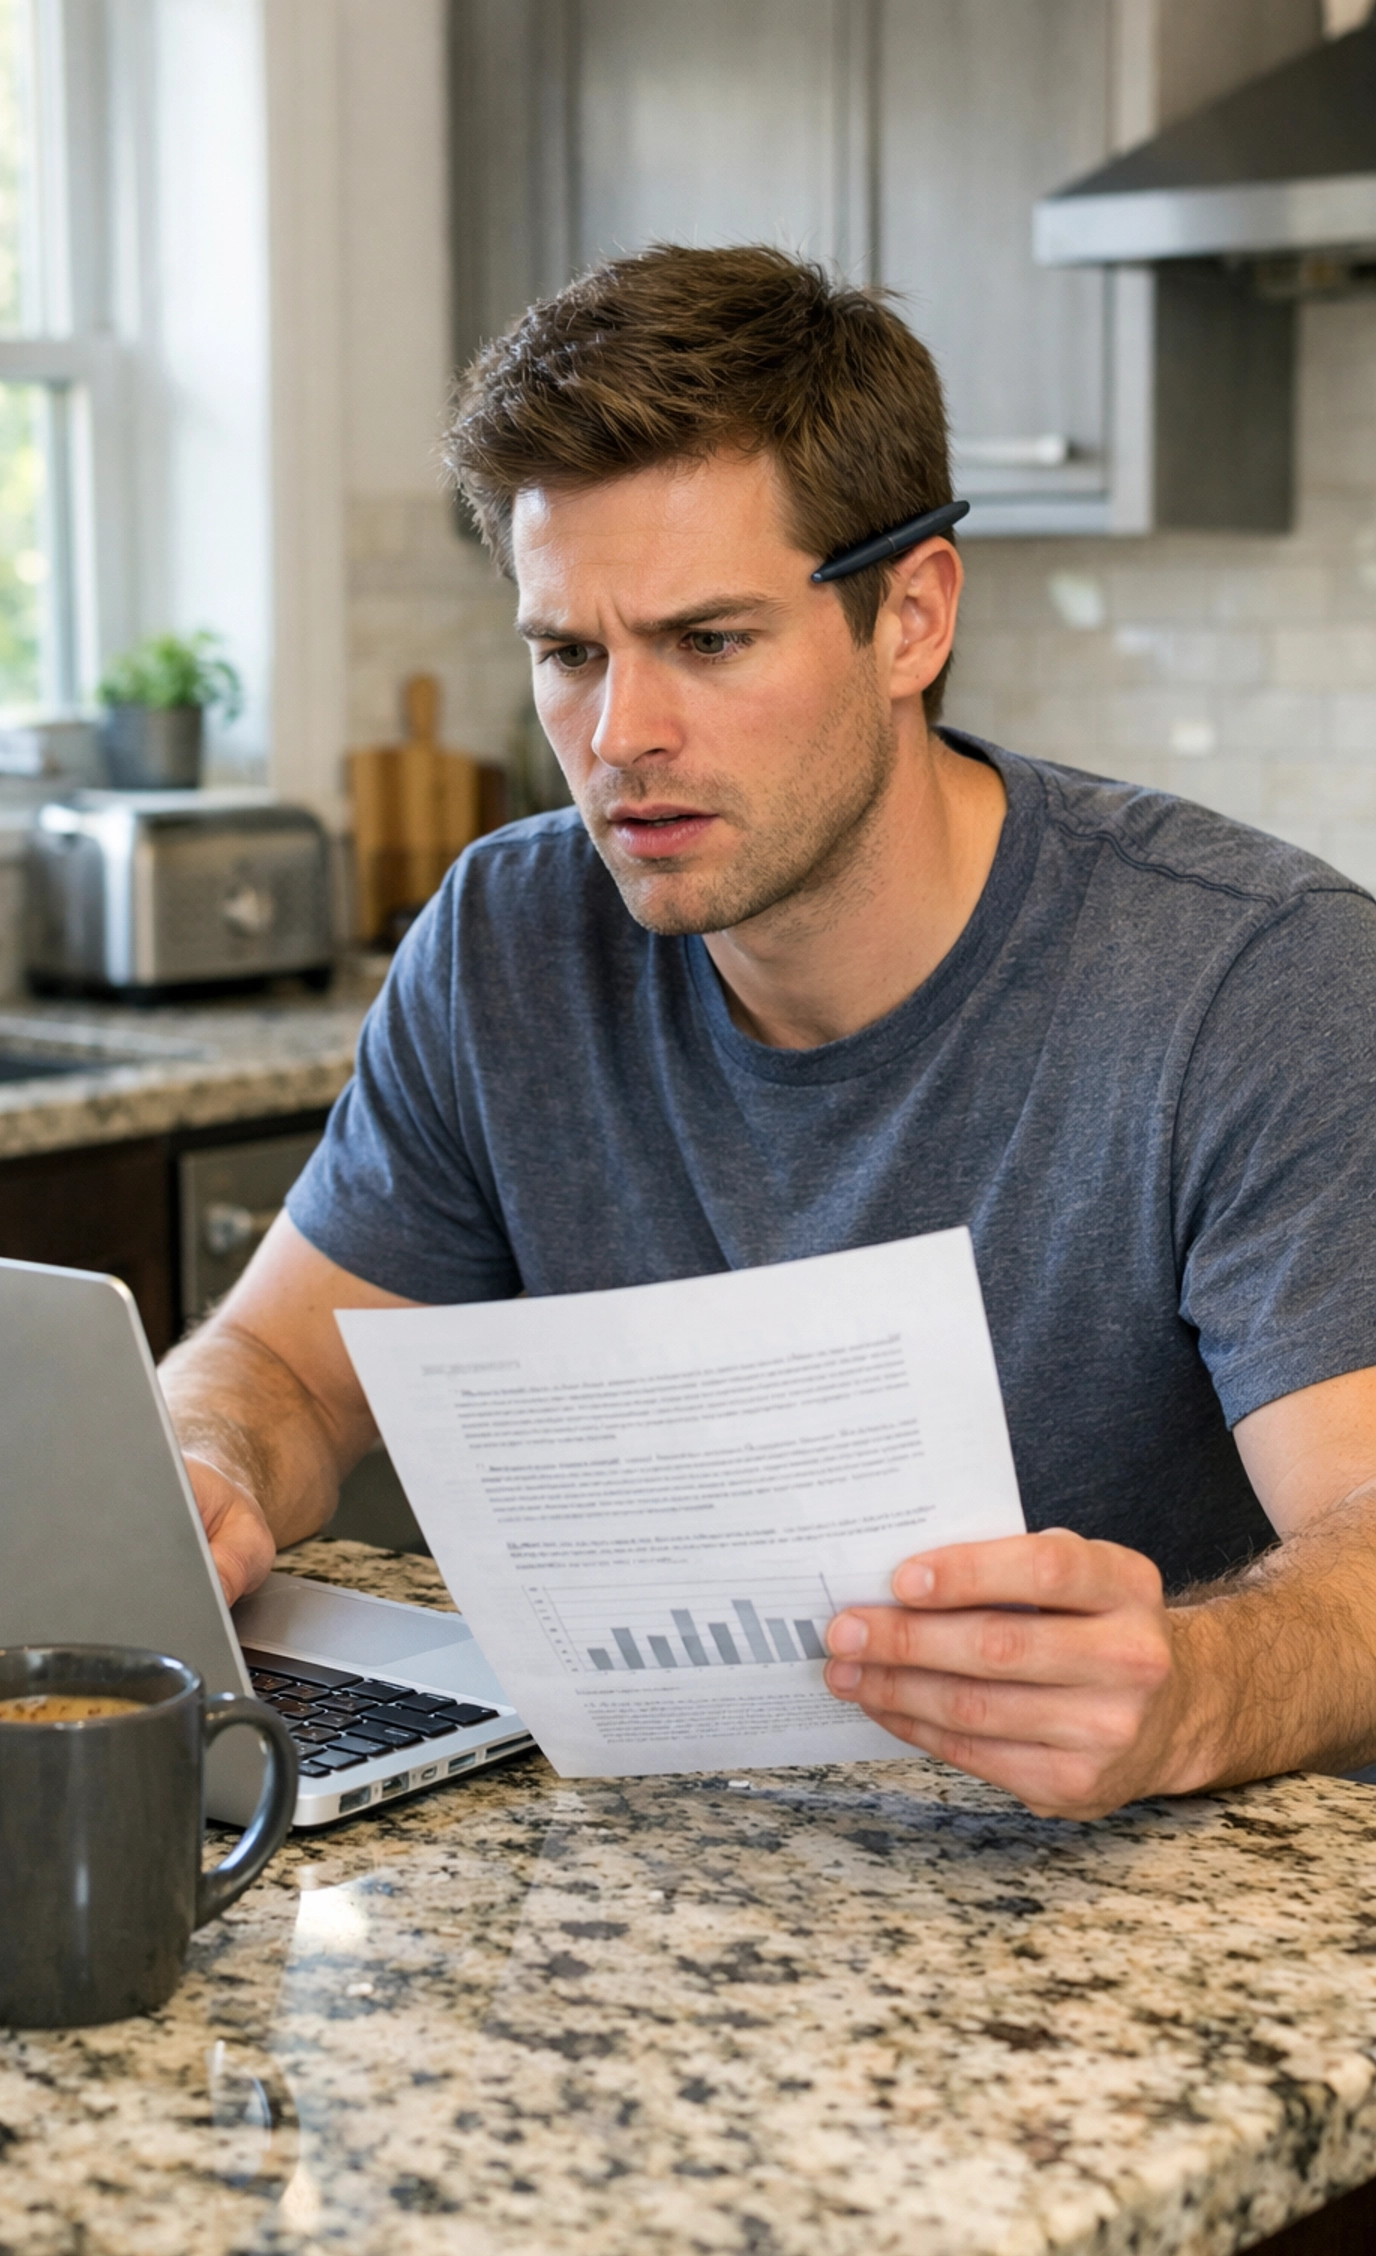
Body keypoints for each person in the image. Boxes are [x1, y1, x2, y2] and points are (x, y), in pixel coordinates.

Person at [162, 244, 1376, 1822]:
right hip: (670, 1878)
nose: (620, 737)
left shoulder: (1254, 981)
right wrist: (208, 1469)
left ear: (912, 618)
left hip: (1134, 1913)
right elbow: (282, 1368)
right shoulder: (504, 943)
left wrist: (1192, 1691)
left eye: (710, 641)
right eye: (569, 653)